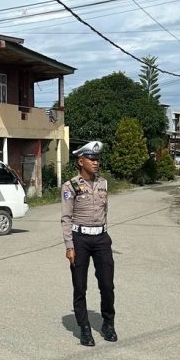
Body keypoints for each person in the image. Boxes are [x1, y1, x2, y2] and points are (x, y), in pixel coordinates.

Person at [60, 141, 115, 347]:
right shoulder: (70, 186)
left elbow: (105, 211)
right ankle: (84, 328)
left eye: (97, 159)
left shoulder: (104, 183)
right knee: (80, 286)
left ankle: (108, 323)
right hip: (80, 240)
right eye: (92, 159)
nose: (96, 162)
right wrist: (69, 246)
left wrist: (104, 234)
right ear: (81, 161)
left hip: (101, 238)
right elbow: (66, 218)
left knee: (107, 285)